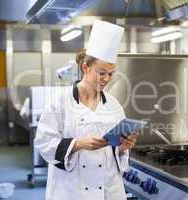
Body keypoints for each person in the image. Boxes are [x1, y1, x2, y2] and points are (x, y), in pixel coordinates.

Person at [35, 20, 138, 200]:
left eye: (111, 74)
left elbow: (117, 153)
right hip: (71, 191)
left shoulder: (114, 106)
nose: (107, 78)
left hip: (108, 190)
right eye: (102, 72)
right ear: (85, 68)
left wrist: (123, 147)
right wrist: (79, 144)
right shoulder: (60, 102)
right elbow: (44, 143)